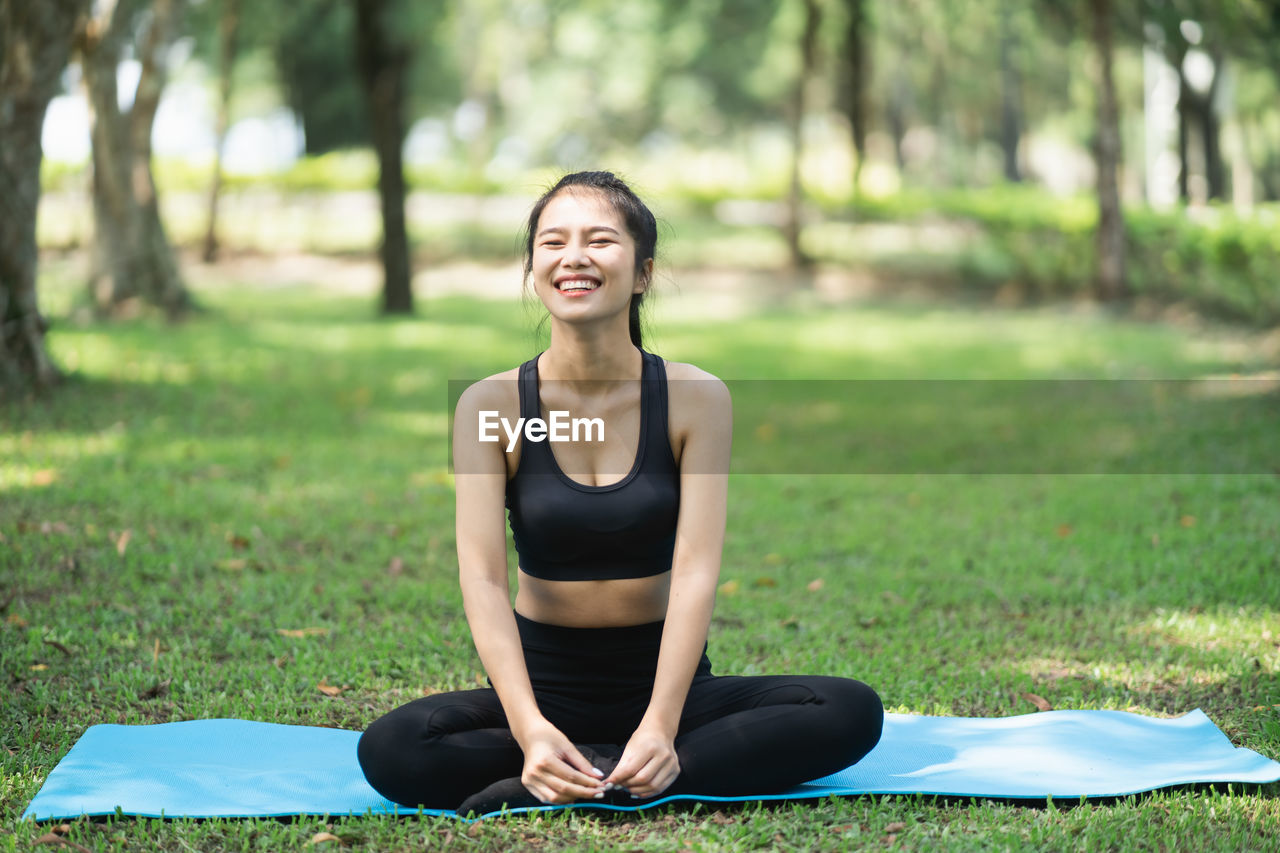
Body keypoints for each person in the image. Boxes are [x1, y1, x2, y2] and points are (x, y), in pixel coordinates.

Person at [357, 170, 883, 815]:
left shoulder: (695, 399)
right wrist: (528, 728)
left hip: (669, 685)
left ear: (642, 273)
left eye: (599, 240)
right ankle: (595, 768)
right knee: (393, 747)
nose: (573, 256)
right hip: (544, 683)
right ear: (534, 272)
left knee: (849, 710)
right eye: (552, 243)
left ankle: (604, 772)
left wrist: (661, 724)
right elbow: (485, 580)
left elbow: (694, 572)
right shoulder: (491, 405)